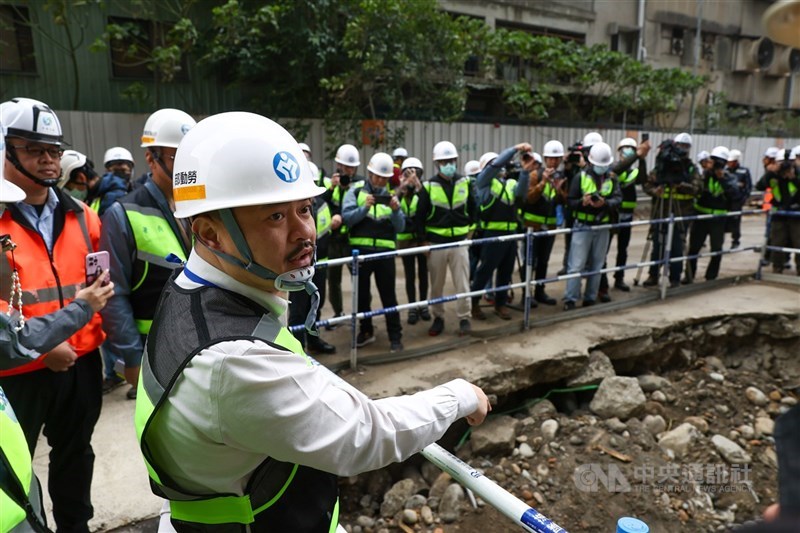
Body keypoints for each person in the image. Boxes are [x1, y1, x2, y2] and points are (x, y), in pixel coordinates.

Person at [133, 111, 491, 532]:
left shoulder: (191, 291)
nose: (305, 232)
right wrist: (459, 395)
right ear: (209, 233)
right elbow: (367, 435)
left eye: (305, 208)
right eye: (275, 217)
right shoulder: (231, 359)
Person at [0, 97, 107, 532]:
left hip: (81, 364)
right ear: (5, 151)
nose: (48, 160)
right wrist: (43, 351)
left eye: (54, 150)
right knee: (13, 465)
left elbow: (101, 288)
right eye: (33, 149)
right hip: (20, 373)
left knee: (76, 455)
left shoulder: (83, 215)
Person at [99, 108, 196, 400]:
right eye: (176, 156)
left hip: (205, 342)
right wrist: (130, 356)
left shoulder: (203, 205)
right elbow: (113, 295)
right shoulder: (122, 214)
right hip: (154, 351)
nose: (185, 165)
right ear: (150, 158)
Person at [342, 152, 405, 351]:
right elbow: (347, 218)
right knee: (361, 296)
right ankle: (366, 330)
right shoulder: (355, 191)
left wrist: (395, 210)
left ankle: (395, 336)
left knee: (389, 296)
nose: (380, 181)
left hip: (385, 254)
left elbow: (401, 227)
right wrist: (364, 208)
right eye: (377, 176)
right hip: (360, 254)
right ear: (369, 173)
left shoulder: (392, 197)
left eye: (384, 178)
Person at [415, 140, 477, 337]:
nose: (448, 164)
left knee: (463, 283)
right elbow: (419, 217)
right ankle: (438, 317)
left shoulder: (465, 182)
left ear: (456, 161)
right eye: (444, 161)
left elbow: (475, 211)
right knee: (437, 284)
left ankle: (464, 317)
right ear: (437, 164)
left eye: (451, 160)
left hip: (460, 243)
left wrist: (470, 234)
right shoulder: (429, 186)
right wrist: (423, 241)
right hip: (436, 245)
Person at [470, 143, 533, 321]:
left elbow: (521, 195)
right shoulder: (483, 183)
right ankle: (473, 303)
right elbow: (495, 166)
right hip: (492, 236)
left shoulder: (510, 183)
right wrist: (514, 149)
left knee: (506, 272)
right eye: (494, 164)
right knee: (484, 272)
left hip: (511, 235)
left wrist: (525, 172)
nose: (500, 167)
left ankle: (501, 303)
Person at [563, 142, 621, 310]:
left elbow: (618, 199)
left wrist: (605, 203)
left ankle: (590, 297)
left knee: (597, 264)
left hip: (602, 226)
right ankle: (570, 299)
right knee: (577, 265)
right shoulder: (580, 177)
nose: (601, 168)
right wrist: (583, 202)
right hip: (583, 226)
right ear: (590, 162)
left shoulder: (612, 178)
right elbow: (570, 202)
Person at [289, 161, 337, 354]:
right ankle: (297, 349)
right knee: (298, 310)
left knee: (317, 303)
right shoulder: (292, 208)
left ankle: (314, 341)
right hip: (299, 266)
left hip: (320, 264)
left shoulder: (323, 204)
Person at [642, 132, 701, 288]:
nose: (683, 149)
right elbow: (647, 185)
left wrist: (681, 185)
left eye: (686, 146)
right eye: (680, 145)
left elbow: (697, 188)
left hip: (682, 214)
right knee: (657, 245)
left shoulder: (690, 169)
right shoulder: (661, 167)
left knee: (677, 247)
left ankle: (675, 278)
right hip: (661, 213)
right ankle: (653, 275)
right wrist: (656, 191)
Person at [597, 137, 651, 297]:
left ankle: (619, 278)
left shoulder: (633, 171)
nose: (626, 152)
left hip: (627, 217)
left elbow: (642, 179)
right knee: (604, 250)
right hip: (613, 216)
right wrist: (636, 155)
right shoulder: (613, 168)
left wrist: (642, 160)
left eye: (630, 149)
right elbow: (619, 169)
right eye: (624, 149)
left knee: (623, 249)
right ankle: (602, 283)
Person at [519, 140, 568, 306]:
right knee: (529, 261)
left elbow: (563, 201)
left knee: (543, 261)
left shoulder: (560, 177)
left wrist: (558, 189)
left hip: (550, 227)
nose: (553, 162)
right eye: (550, 158)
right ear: (545, 158)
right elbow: (529, 198)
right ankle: (526, 294)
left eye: (557, 158)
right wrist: (543, 182)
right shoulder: (535, 175)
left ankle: (540, 291)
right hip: (533, 226)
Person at [684, 146, 742, 283]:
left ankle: (711, 276)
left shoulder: (729, 177)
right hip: (701, 217)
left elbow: (735, 194)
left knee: (716, 249)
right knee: (694, 248)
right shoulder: (704, 175)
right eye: (714, 161)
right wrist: (706, 172)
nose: (717, 164)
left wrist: (722, 178)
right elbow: (696, 189)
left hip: (718, 219)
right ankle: (689, 275)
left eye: (720, 162)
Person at [324, 143, 364, 330]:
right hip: (333, 240)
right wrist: (332, 188)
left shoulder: (361, 185)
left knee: (359, 278)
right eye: (344, 166)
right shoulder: (328, 183)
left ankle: (362, 315)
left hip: (352, 239)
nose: (348, 170)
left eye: (351, 167)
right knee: (333, 279)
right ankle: (338, 312)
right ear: (338, 165)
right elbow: (320, 205)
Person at [396, 157, 431, 324]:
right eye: (408, 173)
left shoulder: (423, 191)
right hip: (405, 241)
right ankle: (412, 307)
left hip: (421, 240)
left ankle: (423, 305)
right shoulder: (400, 192)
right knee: (410, 275)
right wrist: (402, 186)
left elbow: (426, 209)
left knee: (423, 273)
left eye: (415, 173)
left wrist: (418, 185)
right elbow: (392, 205)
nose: (411, 176)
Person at [756, 148, 800, 274]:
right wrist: (769, 173)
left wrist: (794, 178)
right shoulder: (773, 174)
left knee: (798, 242)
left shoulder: (797, 173)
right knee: (777, 242)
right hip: (778, 215)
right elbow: (760, 186)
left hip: (796, 215)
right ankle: (777, 267)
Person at [90, 146, 135, 216]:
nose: (120, 174)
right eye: (116, 171)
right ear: (107, 172)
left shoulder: (139, 192)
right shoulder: (96, 197)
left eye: (123, 170)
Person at [726, 149, 752, 248]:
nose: (729, 164)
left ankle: (735, 240)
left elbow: (748, 187)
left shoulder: (744, 171)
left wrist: (743, 199)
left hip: (737, 201)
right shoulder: (726, 171)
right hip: (727, 200)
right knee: (724, 220)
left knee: (735, 221)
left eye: (731, 162)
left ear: (736, 161)